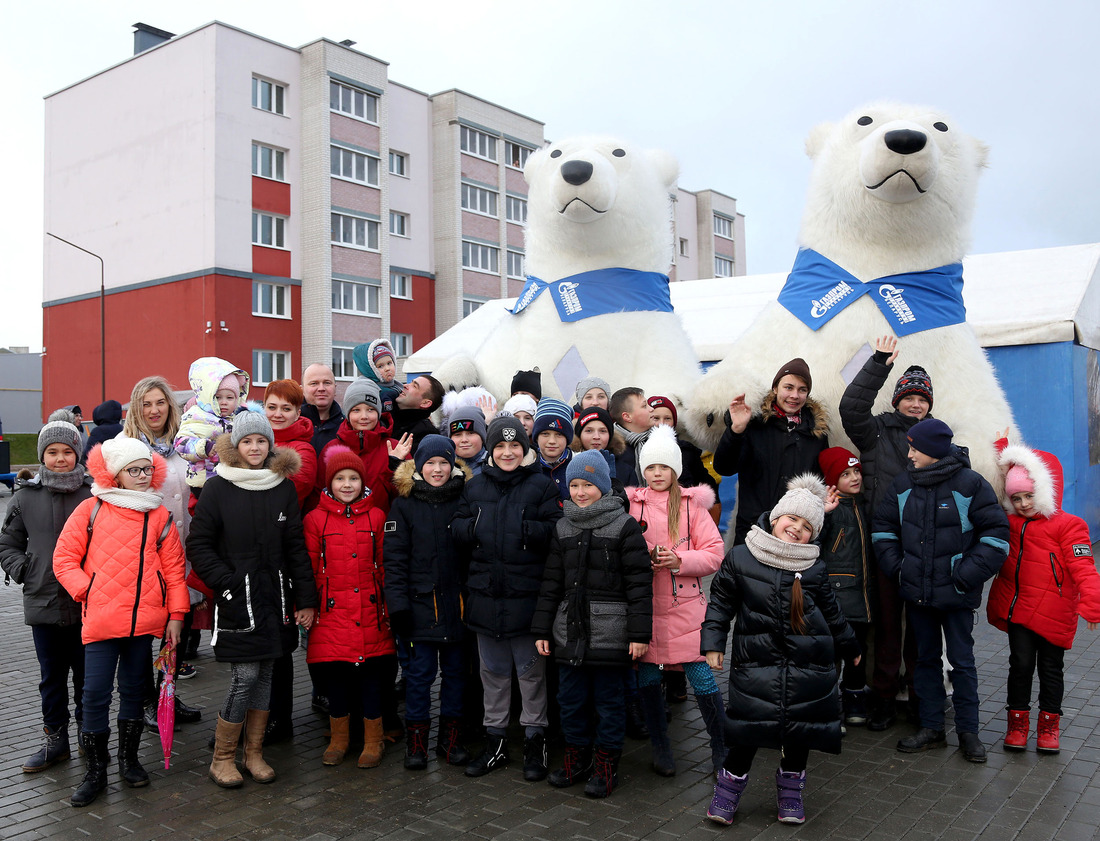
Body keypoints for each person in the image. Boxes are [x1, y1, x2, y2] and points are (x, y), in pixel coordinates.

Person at [702, 475, 859, 826]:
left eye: (806, 527)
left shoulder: (814, 566)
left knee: (799, 733)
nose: (796, 529)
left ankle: (791, 794)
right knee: (747, 730)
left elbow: (832, 612)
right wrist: (713, 642)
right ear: (776, 518)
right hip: (756, 665)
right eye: (792, 519)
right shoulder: (742, 556)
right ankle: (727, 792)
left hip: (809, 665)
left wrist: (850, 645)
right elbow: (721, 604)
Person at [53, 437, 189, 807]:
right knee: (94, 695)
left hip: (144, 624)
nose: (144, 476)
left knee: (134, 693)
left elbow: (175, 572)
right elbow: (64, 559)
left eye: (148, 468)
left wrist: (176, 616)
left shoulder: (158, 515)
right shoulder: (91, 509)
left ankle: (129, 760)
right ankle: (96, 769)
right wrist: (88, 591)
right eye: (135, 470)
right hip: (100, 622)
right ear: (116, 474)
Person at [186, 411, 318, 788]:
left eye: (261, 441)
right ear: (236, 446)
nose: (255, 448)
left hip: (275, 597)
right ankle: (222, 758)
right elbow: (199, 544)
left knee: (266, 675)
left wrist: (305, 599)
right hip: (236, 598)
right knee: (244, 676)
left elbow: (295, 547)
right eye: (247, 442)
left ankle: (254, 753)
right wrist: (225, 584)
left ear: (270, 445)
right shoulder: (218, 487)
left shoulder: (282, 486)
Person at [873, 418, 1008, 764]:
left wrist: (965, 576)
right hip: (918, 594)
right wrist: (899, 568)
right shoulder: (904, 484)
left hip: (957, 597)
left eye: (915, 448)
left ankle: (969, 733)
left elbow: (995, 536)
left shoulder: (971, 484)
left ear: (933, 450)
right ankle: (932, 728)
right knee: (925, 662)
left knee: (962, 664)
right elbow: (883, 529)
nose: (909, 453)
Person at [533, 451, 653, 798]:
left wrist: (639, 634)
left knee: (609, 703)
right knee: (570, 701)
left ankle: (605, 764)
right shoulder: (563, 525)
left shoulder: (624, 526)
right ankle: (577, 756)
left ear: (602, 486)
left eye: (588, 484)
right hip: (569, 633)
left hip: (610, 635)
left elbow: (639, 583)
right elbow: (551, 582)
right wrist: (542, 629)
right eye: (574, 484)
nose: (580, 492)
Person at [452, 415, 562, 781]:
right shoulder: (475, 486)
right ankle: (495, 741)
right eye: (500, 446)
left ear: (525, 449)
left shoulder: (541, 487)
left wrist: (528, 529)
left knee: (531, 677)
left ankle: (535, 741)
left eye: (515, 446)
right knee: (494, 675)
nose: (507, 452)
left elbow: (554, 534)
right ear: (491, 449)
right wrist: (474, 528)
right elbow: (458, 527)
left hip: (527, 599)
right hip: (486, 597)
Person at [839, 335, 933, 729]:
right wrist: (879, 362)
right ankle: (881, 698)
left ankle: (918, 697)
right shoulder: (875, 431)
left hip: (925, 550)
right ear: (896, 400)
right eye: (909, 397)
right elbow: (851, 405)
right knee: (888, 627)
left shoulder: (938, 440)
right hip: (885, 546)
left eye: (922, 399)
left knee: (922, 632)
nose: (915, 404)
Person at [986, 433, 1100, 753]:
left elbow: (1084, 569)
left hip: (1055, 613)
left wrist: (1092, 602)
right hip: (1019, 608)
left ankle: (1049, 726)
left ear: (1045, 491)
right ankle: (1018, 723)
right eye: (1017, 498)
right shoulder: (1008, 523)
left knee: (1051, 669)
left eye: (1029, 496)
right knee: (1020, 665)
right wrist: (1000, 448)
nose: (1023, 504)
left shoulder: (1069, 525)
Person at [626, 425, 726, 777]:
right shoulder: (631, 505)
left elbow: (714, 553)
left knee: (702, 678)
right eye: (651, 467)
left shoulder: (691, 506)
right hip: (645, 608)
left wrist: (681, 561)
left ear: (675, 470)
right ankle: (660, 746)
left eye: (664, 467)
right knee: (649, 680)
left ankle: (721, 747)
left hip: (686, 608)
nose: (657, 474)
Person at [1, 416, 93, 774]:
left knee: (88, 675)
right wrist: (23, 569)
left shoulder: (93, 493)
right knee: (51, 677)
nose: (60, 458)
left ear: (77, 454)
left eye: (67, 451)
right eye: (52, 452)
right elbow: (8, 543)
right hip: (43, 600)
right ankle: (56, 740)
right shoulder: (26, 497)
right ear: (42, 456)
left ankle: (89, 733)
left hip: (88, 602)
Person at [119, 376, 203, 729]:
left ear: (170, 406)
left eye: (160, 402)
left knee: (178, 629)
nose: (154, 410)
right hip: (144, 557)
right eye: (146, 404)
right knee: (143, 631)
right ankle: (144, 701)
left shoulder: (186, 446)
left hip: (185, 554)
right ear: (137, 409)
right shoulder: (124, 449)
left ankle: (166, 691)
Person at [385, 435, 473, 770]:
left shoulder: (465, 497)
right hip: (419, 608)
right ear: (419, 466)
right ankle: (416, 744)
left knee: (455, 676)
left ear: (453, 464)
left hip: (458, 607)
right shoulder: (404, 504)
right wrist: (399, 608)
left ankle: (450, 742)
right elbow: (394, 561)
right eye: (430, 463)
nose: (437, 469)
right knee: (419, 678)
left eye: (443, 463)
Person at [304, 445, 395, 768]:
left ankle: (373, 740)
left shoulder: (376, 516)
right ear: (329, 483)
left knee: (372, 680)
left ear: (362, 482)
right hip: (331, 614)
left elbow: (384, 565)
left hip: (372, 612)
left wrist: (389, 605)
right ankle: (339, 738)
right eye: (339, 478)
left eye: (353, 478)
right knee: (336, 679)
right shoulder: (316, 519)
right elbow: (311, 567)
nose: (346, 485)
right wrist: (308, 605)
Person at [712, 358, 829, 545]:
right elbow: (724, 467)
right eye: (788, 387)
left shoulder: (816, 433)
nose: (795, 395)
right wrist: (736, 431)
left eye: (802, 390)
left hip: (794, 536)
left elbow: (820, 481)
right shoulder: (756, 424)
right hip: (754, 530)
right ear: (775, 388)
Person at [818, 447, 875, 726]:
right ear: (831, 480)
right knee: (832, 655)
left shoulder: (864, 506)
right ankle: (828, 710)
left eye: (856, 472)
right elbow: (816, 548)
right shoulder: (830, 510)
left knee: (857, 653)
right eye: (845, 474)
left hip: (862, 597)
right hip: (837, 596)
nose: (854, 478)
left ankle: (854, 701)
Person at [316, 379, 412, 516]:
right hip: (339, 530)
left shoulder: (395, 448)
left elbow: (407, 497)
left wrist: (394, 466)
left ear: (378, 412)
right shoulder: (331, 449)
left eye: (371, 409)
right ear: (347, 414)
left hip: (383, 529)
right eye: (356, 410)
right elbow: (318, 493)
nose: (364, 416)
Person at [174, 357, 249, 494]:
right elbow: (180, 443)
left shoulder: (238, 419)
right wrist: (203, 447)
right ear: (208, 397)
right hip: (203, 483)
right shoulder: (197, 416)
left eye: (230, 397)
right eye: (218, 397)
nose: (224, 402)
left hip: (232, 480)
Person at [647, 395, 719, 498]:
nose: (661, 423)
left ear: (674, 422)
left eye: (667, 418)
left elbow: (708, 486)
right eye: (655, 418)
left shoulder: (687, 451)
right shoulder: (636, 449)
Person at [263, 379, 317, 510]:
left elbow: (291, 492)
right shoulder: (250, 438)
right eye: (272, 407)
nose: (277, 414)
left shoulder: (304, 450)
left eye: (286, 409)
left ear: (297, 414)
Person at [610, 386, 653, 487]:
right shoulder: (612, 450)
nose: (651, 409)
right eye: (644, 406)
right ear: (627, 417)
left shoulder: (661, 441)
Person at [534, 397, 575, 500]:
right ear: (536, 437)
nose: (552, 441)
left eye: (559, 434)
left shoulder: (578, 464)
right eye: (545, 434)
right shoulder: (528, 467)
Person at [391, 375, 444, 450]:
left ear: (425, 403)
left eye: (414, 386)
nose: (405, 385)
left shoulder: (425, 436)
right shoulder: (381, 412)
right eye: (410, 382)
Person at [301, 364, 344, 454]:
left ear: (335, 388)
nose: (321, 388)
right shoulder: (290, 423)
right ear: (302, 390)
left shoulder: (347, 427)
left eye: (327, 383)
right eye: (314, 383)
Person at [352, 338, 403, 414]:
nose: (387, 369)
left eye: (389, 363)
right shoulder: (377, 392)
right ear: (371, 370)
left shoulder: (397, 385)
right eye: (380, 366)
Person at [447, 406, 489, 475]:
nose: (464, 440)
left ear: (482, 437)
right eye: (457, 434)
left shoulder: (495, 465)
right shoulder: (444, 467)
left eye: (471, 433)